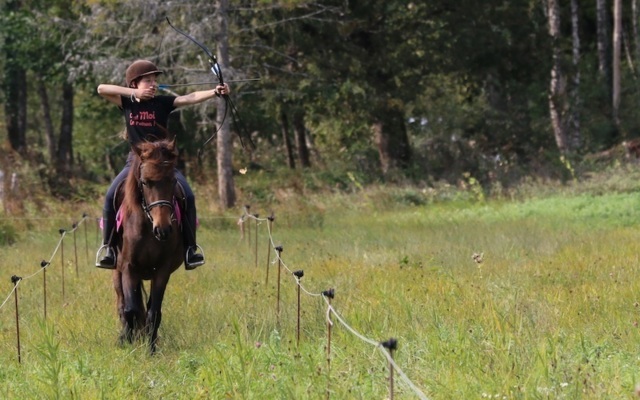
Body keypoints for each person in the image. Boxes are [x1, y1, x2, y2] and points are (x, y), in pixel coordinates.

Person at [95, 59, 229, 270]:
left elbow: (189, 98)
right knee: (111, 196)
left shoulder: (162, 103)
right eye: (147, 81)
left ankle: (190, 249)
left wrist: (215, 92)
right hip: (136, 163)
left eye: (154, 80)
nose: (153, 84)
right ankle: (109, 249)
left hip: (162, 163)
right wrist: (134, 95)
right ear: (134, 84)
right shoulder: (127, 102)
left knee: (188, 196)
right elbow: (102, 89)